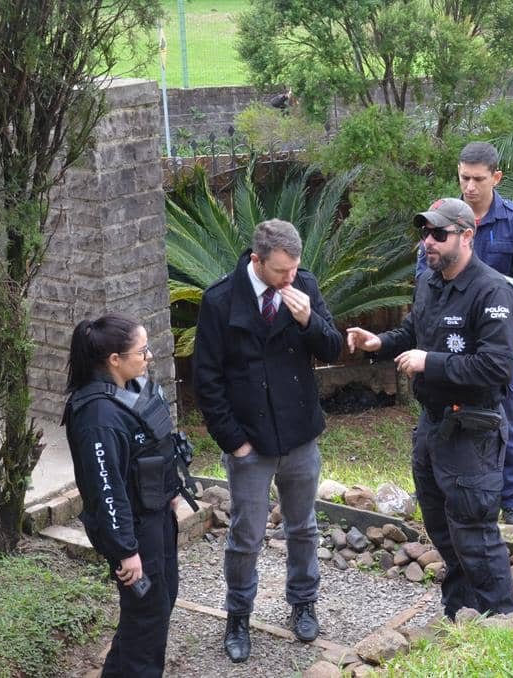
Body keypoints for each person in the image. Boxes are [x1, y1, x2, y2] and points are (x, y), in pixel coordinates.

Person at [349, 198, 513, 620]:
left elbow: (497, 366)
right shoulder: (429, 280)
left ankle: (502, 620)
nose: (429, 242)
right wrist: (380, 344)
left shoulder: (492, 290)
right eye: (425, 233)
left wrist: (431, 362)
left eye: (439, 234)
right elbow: (414, 330)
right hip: (433, 424)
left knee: (475, 531)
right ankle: (459, 612)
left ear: (467, 235)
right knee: (442, 527)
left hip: (472, 429)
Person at [193, 219, 342, 663]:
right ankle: (238, 614)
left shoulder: (305, 288)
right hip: (250, 442)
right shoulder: (220, 300)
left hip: (299, 436)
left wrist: (308, 319)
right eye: (281, 271)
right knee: (246, 534)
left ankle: (303, 603)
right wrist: (235, 442)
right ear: (257, 260)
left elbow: (333, 348)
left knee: (303, 527)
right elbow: (207, 381)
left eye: (295, 269)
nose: (290, 278)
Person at [417, 141, 513, 528]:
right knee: (439, 416)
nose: (469, 187)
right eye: (463, 178)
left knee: (501, 417)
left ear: (496, 177)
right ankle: (437, 484)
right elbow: (423, 275)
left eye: (477, 179)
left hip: (493, 343)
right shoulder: (440, 220)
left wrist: (495, 317)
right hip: (446, 342)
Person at [62, 313, 184, 677]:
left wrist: (170, 489)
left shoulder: (131, 388)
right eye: (142, 351)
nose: (148, 358)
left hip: (158, 516)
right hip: (134, 532)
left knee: (158, 606)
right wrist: (125, 550)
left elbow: (152, 450)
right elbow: (105, 489)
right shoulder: (97, 416)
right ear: (115, 359)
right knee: (146, 618)